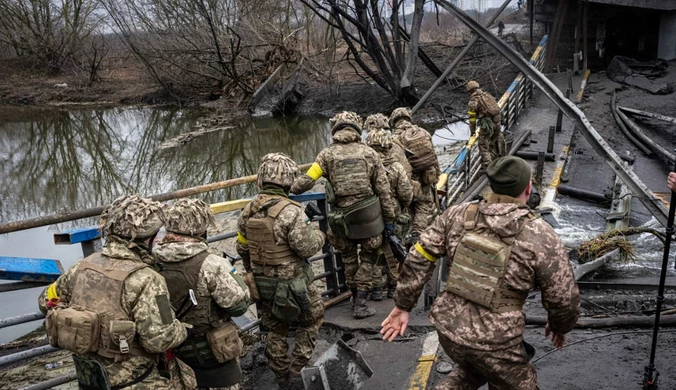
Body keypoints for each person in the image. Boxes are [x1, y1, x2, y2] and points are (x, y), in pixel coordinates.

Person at [381, 156, 580, 390]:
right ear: (528, 188)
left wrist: (403, 306)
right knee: (508, 375)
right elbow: (564, 298)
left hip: (449, 329)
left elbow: (418, 256)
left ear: (492, 185)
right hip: (496, 341)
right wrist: (559, 326)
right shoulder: (540, 234)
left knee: (475, 369)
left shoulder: (457, 215)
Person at [39, 195, 188, 390]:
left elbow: (45, 300)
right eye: (156, 234)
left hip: (89, 377)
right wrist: (181, 328)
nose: (159, 238)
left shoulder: (81, 267)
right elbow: (159, 341)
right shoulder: (147, 279)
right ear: (146, 240)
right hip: (135, 381)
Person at [292, 111, 396, 319]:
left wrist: (289, 185)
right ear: (357, 129)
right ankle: (361, 304)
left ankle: (355, 298)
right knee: (368, 259)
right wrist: (389, 220)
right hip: (370, 220)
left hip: (342, 222)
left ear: (335, 130)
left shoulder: (326, 155)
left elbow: (304, 183)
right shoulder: (370, 154)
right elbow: (384, 190)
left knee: (349, 260)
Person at [237, 153, 326, 389]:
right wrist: (319, 234)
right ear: (288, 181)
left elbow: (241, 248)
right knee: (311, 320)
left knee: (275, 330)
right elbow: (307, 248)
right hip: (295, 284)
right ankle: (297, 369)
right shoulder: (292, 211)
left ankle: (281, 378)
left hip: (263, 284)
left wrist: (255, 272)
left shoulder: (247, 212)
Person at [155, 198, 251, 390]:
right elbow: (239, 306)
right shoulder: (211, 264)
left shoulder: (152, 261)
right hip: (214, 356)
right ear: (202, 229)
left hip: (174, 355)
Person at [365, 129, 414, 299]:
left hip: (370, 214)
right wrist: (400, 205)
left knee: (374, 251)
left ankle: (376, 289)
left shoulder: (366, 167)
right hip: (393, 212)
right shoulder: (396, 167)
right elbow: (407, 194)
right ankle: (393, 287)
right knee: (394, 247)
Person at [389, 107, 439, 244]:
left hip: (407, 183)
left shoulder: (392, 139)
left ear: (393, 122)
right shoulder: (423, 133)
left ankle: (405, 241)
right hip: (425, 179)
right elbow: (433, 158)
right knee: (423, 206)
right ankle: (417, 234)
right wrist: (436, 178)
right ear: (408, 118)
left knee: (406, 211)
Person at [466, 80, 505, 171]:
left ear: (469, 90)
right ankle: (497, 162)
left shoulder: (473, 101)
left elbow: (472, 119)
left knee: (483, 145)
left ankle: (488, 166)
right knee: (494, 141)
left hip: (487, 124)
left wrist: (472, 132)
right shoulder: (487, 95)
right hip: (497, 121)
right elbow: (497, 108)